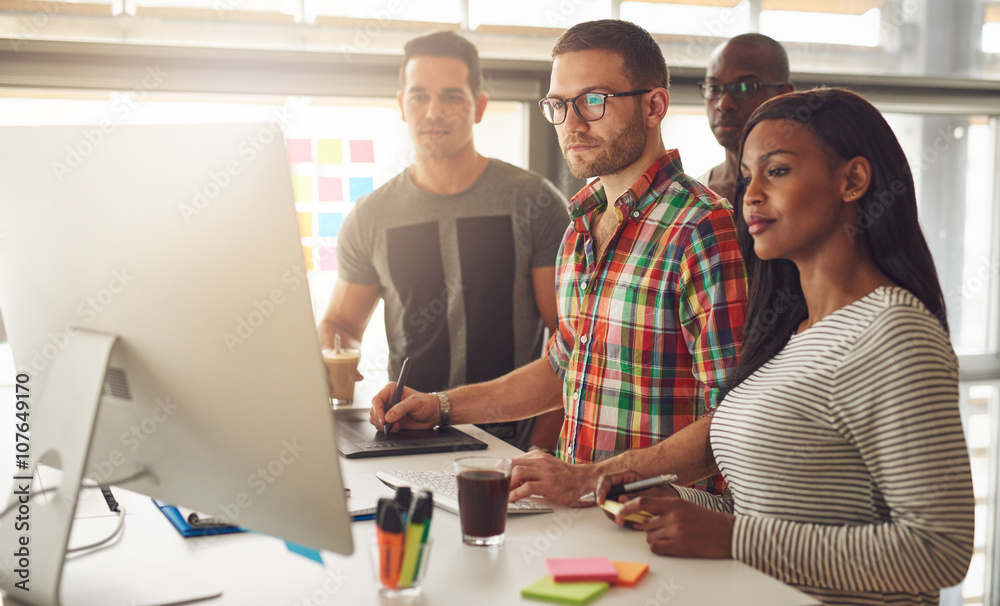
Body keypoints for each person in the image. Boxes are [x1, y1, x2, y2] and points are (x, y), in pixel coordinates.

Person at [597, 88, 974, 606]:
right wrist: (671, 501)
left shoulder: (894, 334)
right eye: (747, 175)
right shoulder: (791, 334)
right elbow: (775, 519)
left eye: (776, 171)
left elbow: (939, 550)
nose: (750, 194)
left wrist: (731, 538)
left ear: (853, 180)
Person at [370, 20, 747, 503]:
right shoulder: (581, 225)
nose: (572, 122)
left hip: (660, 524)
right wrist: (440, 406)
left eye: (593, 100)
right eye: (558, 105)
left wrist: (591, 477)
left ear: (654, 106)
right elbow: (561, 367)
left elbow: (733, 421)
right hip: (584, 514)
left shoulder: (702, 226)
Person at [319, 31, 570, 451]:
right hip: (409, 435)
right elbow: (341, 325)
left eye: (452, 97)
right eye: (419, 96)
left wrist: (540, 452)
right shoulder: (371, 216)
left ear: (479, 107)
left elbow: (571, 344)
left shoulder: (535, 202)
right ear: (401, 106)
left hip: (511, 443)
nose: (433, 111)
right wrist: (332, 356)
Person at [697, 33, 793, 203]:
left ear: (783, 95)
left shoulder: (804, 187)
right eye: (714, 88)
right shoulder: (694, 195)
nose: (724, 104)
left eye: (745, 87)